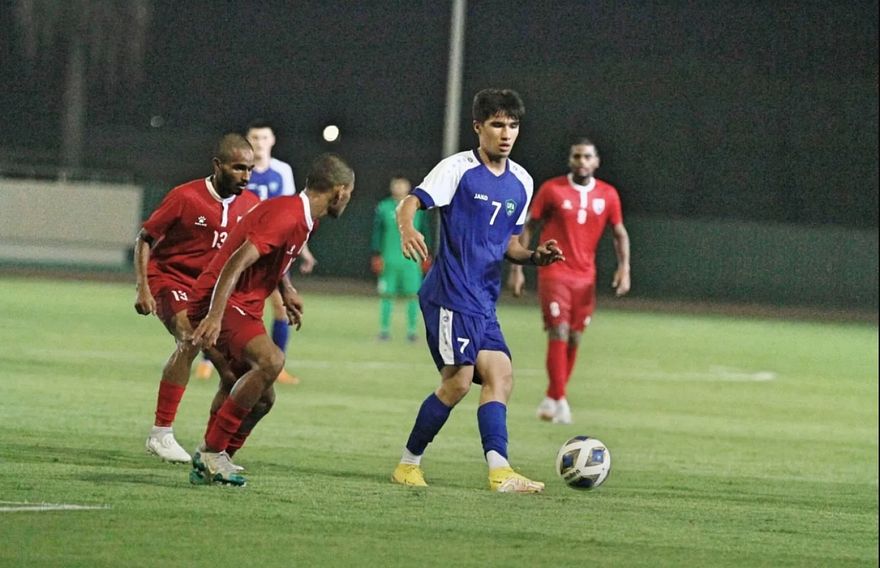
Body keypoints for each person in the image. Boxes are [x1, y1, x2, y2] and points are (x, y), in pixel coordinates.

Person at [391, 89, 564, 493]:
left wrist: (534, 257)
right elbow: (410, 202)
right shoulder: (458, 169)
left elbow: (509, 245)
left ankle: (500, 471)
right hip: (450, 294)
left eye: (513, 125)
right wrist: (407, 227)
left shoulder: (522, 181)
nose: (506, 133)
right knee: (458, 382)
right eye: (497, 125)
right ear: (478, 127)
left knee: (501, 375)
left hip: (484, 300)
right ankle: (407, 464)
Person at [187, 153, 355, 486]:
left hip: (242, 304)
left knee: (263, 398)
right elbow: (236, 262)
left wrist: (286, 288)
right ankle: (211, 452)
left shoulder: (305, 218)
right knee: (271, 361)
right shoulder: (288, 215)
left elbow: (273, 257)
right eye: (349, 192)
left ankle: (215, 461)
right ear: (339, 191)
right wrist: (215, 316)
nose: (348, 199)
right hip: (220, 300)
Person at [135, 133, 259, 463]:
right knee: (189, 338)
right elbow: (144, 239)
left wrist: (285, 289)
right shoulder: (185, 196)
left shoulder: (251, 204)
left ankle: (212, 450)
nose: (246, 176)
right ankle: (160, 434)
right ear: (218, 165)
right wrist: (143, 287)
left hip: (208, 292)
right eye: (238, 168)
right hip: (170, 280)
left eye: (250, 169)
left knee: (233, 374)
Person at [508, 138, 630, 425]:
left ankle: (553, 396)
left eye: (587, 157)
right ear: (570, 160)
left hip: (585, 276)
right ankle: (561, 400)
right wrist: (517, 267)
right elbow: (528, 227)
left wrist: (624, 268)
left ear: (596, 161)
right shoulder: (552, 189)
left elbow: (619, 233)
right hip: (555, 272)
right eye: (577, 156)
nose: (582, 161)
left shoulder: (608, 194)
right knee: (558, 331)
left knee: (574, 336)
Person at [194, 119, 316, 385]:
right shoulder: (237, 168)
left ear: (272, 141)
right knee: (220, 299)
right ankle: (206, 360)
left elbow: (293, 215)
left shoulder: (282, 171)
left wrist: (303, 251)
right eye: (255, 138)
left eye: (264, 138)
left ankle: (277, 364)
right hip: (240, 246)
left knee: (280, 307)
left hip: (270, 251)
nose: (259, 143)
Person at [370, 175, 430, 342]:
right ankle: (384, 331)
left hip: (412, 261)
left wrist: (427, 255)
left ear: (408, 186)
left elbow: (425, 230)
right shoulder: (383, 207)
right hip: (389, 260)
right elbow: (377, 232)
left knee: (413, 295)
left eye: (402, 185)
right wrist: (376, 254)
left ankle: (412, 331)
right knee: (386, 295)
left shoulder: (418, 208)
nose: (399, 188)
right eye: (396, 185)